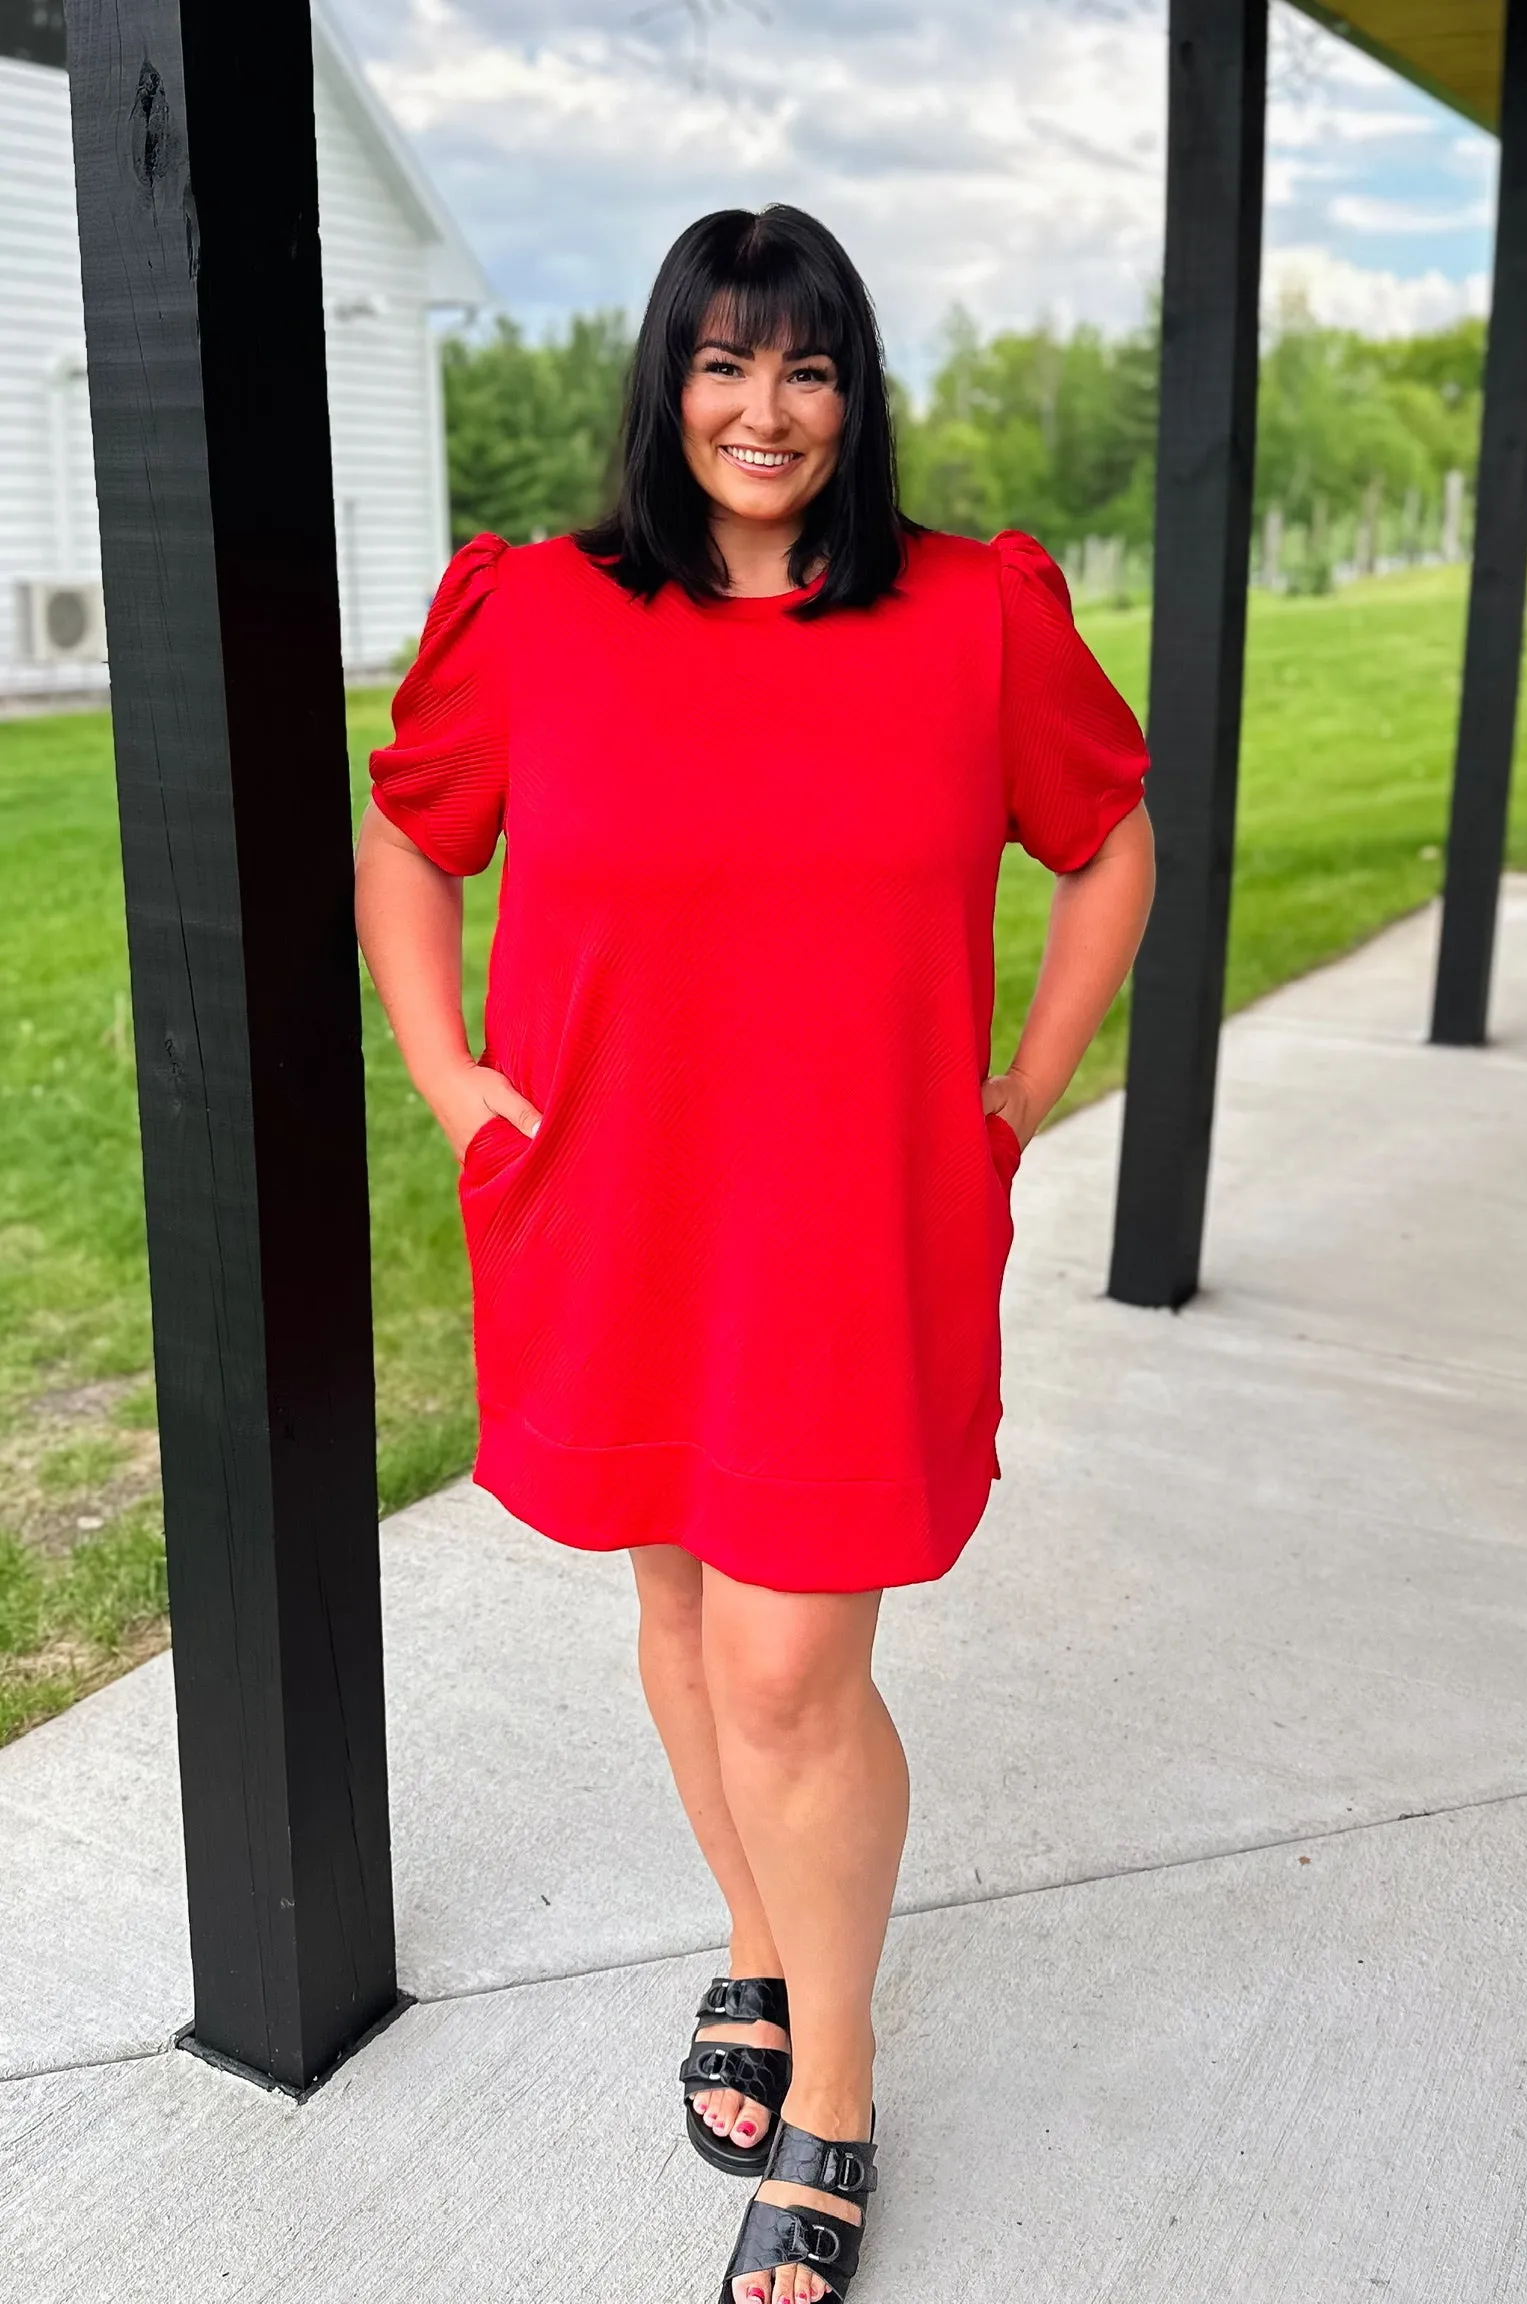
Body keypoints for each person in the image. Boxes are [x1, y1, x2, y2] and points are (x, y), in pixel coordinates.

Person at [355, 203, 1155, 2304]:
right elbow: (412, 836)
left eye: (804, 366)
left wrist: (1021, 1092)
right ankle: (750, 1938)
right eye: (722, 363)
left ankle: (844, 2078)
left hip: (849, 1227)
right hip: (617, 1206)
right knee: (684, 1606)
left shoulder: (977, 617)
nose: (763, 408)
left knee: (793, 1666)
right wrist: (452, 1078)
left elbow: (1110, 841)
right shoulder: (536, 613)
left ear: (851, 392)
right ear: (665, 384)